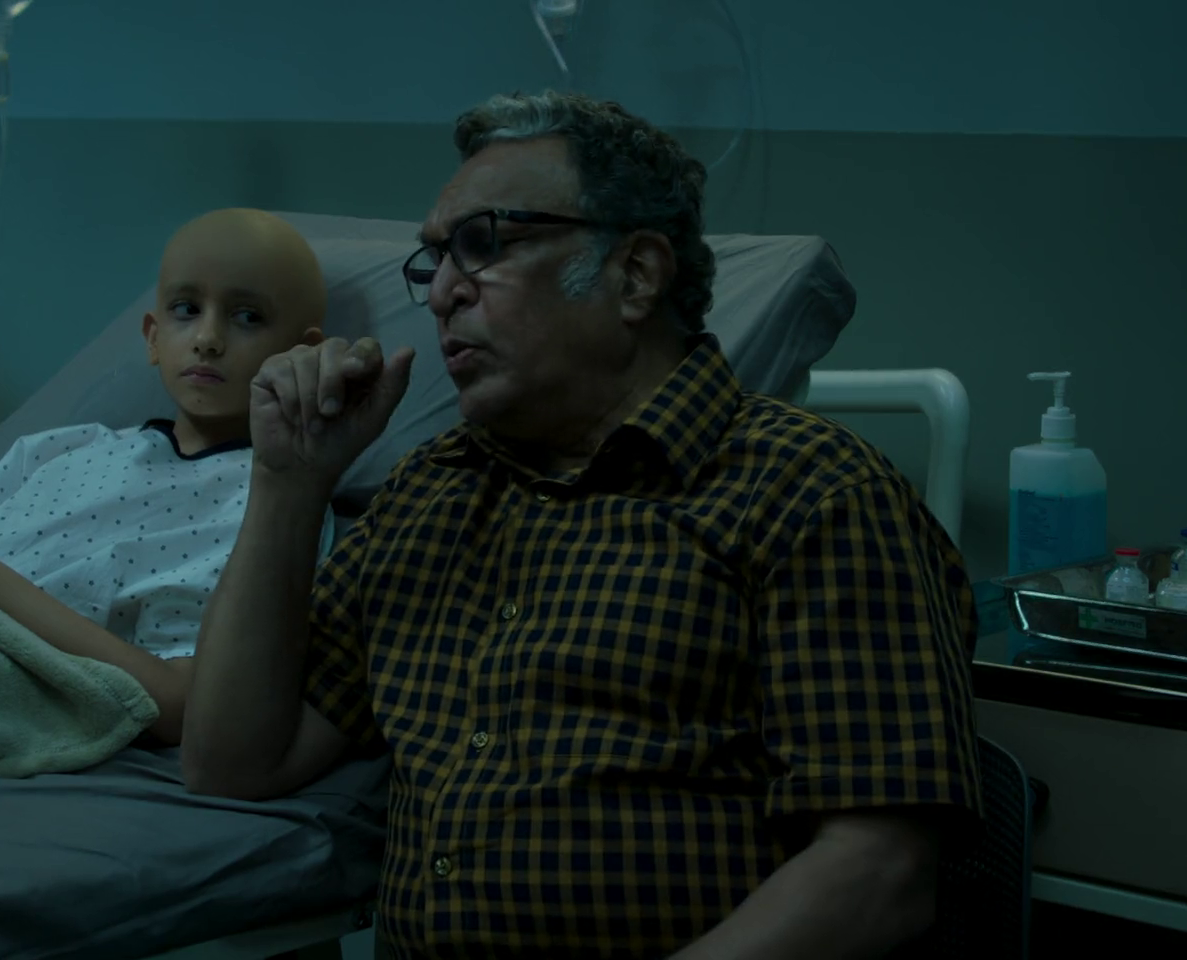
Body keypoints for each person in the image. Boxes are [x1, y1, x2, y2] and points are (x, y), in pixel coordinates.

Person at [180, 92, 980, 959]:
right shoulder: (428, 494)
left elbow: (881, 870)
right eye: (436, 259)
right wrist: (289, 481)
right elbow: (234, 762)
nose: (442, 292)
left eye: (483, 244)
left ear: (634, 275)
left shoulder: (811, 494)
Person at [0, 207, 328, 746]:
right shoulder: (56, 451)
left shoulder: (261, 511)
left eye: (247, 317)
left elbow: (181, 704)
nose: (208, 338)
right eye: (187, 309)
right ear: (152, 337)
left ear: (304, 355)